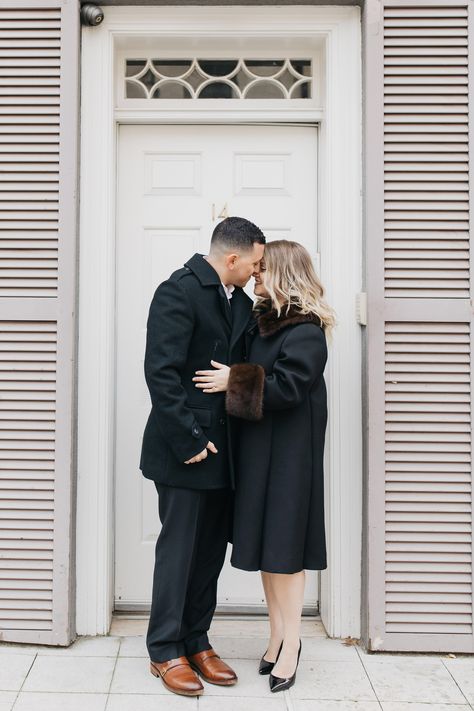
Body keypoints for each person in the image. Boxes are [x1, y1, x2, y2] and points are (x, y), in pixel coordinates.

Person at [193, 240, 336, 693]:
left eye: (262, 271)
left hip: (290, 459)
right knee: (269, 552)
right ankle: (276, 638)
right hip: (260, 455)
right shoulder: (261, 325)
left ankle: (291, 645)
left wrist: (233, 378)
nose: (255, 276)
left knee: (287, 552)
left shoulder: (306, 331)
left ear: (284, 273)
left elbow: (289, 387)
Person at [140, 216, 265, 697]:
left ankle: (197, 639)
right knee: (179, 551)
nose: (257, 273)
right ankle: (165, 649)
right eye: (254, 264)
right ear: (231, 258)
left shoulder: (242, 302)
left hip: (227, 452)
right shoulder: (177, 291)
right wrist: (189, 441)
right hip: (184, 450)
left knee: (211, 551)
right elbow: (161, 375)